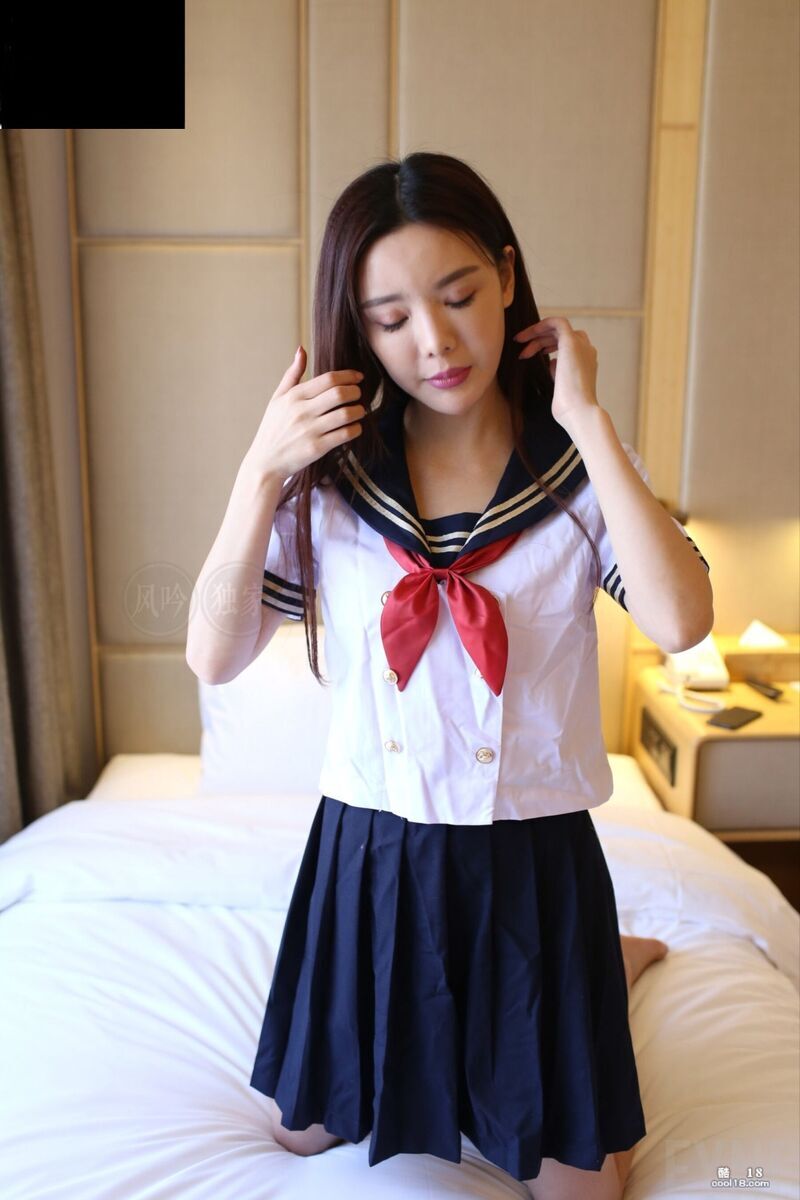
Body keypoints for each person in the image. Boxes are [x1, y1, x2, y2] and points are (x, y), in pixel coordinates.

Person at [190, 152, 713, 1198]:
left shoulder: (575, 474)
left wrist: (590, 421)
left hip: (533, 862)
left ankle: (602, 961)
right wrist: (258, 471)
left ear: (507, 276)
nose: (431, 340)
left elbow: (682, 619)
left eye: (458, 295)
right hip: (373, 853)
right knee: (300, 1137)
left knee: (582, 1191)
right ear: (360, 329)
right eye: (389, 318)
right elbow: (214, 653)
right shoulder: (333, 482)